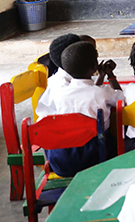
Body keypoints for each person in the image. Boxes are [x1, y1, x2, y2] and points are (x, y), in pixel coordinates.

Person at [36, 42, 123, 177]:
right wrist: (110, 75)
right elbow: (121, 100)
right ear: (95, 66)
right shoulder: (102, 93)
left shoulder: (58, 93)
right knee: (115, 131)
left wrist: (99, 77)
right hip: (95, 158)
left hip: (61, 160)